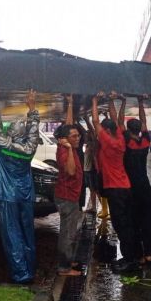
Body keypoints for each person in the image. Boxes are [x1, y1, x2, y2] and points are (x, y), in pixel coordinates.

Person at [0, 83, 40, 284]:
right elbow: (34, 132)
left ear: (10, 133)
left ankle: (21, 274)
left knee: (11, 234)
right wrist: (32, 107)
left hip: (6, 195)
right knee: (27, 231)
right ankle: (30, 268)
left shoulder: (3, 143)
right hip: (25, 194)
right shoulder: (30, 148)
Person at [92, 90, 139, 273]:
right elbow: (115, 119)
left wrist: (95, 100)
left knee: (121, 225)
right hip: (124, 187)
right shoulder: (119, 138)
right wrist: (112, 101)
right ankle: (130, 257)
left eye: (103, 130)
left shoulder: (108, 141)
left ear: (107, 131)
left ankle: (130, 260)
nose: (100, 132)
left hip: (115, 189)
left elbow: (96, 122)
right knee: (125, 222)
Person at [53, 95, 83, 277]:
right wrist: (71, 149)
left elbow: (68, 126)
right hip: (67, 197)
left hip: (71, 196)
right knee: (68, 232)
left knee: (71, 230)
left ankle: (68, 259)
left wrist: (70, 103)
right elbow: (71, 172)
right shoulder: (65, 151)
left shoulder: (67, 142)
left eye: (78, 135)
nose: (78, 138)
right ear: (66, 139)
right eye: (75, 136)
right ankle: (64, 268)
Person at [123, 94, 151, 268]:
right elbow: (145, 123)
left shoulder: (127, 143)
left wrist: (123, 101)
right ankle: (149, 254)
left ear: (128, 129)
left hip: (131, 187)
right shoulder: (145, 142)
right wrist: (141, 102)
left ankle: (138, 254)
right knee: (147, 219)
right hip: (145, 185)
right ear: (140, 129)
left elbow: (118, 122)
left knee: (133, 221)